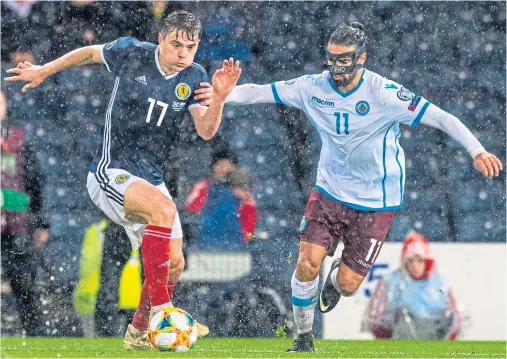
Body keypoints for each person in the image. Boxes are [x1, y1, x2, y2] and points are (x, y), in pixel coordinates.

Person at [194, 22, 503, 351]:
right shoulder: (312, 87)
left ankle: (337, 274)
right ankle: (303, 337)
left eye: (345, 60)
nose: (337, 67)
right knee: (306, 263)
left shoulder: (384, 93)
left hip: (376, 201)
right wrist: (224, 95)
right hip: (329, 191)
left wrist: (477, 150)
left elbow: (441, 117)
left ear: (362, 58)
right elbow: (262, 92)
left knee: (348, 285)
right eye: (332, 59)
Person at [6, 10, 241, 349]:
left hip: (151, 177)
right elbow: (88, 53)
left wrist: (218, 97)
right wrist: (45, 69)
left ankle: (137, 331)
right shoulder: (132, 52)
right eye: (176, 44)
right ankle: (164, 312)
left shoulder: (196, 75)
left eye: (190, 47)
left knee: (175, 264)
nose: (182, 54)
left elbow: (206, 131)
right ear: (160, 38)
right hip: (111, 170)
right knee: (162, 210)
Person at [1, 90, 50, 336]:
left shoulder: (18, 143)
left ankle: (36, 336)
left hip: (15, 226)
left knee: (25, 285)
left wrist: (42, 223)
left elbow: (35, 183)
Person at [363, 231, 461, 339]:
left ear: (427, 261)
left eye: (420, 260)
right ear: (405, 262)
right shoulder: (390, 282)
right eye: (411, 261)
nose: (415, 265)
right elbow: (375, 319)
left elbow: (455, 320)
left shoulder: (440, 283)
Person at [185, 146, 257, 249]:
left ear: (236, 168)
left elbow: (250, 224)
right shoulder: (201, 187)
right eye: (220, 165)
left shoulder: (245, 194)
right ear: (213, 168)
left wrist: (246, 240)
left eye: (228, 165)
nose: (224, 169)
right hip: (203, 247)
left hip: (235, 249)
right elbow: (191, 213)